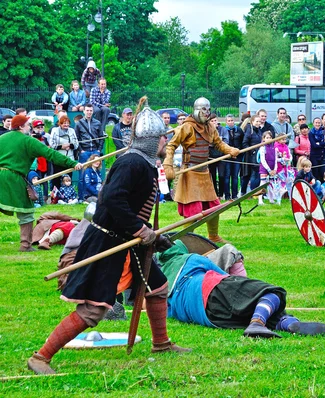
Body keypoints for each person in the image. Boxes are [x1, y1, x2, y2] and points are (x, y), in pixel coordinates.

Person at [27, 99, 190, 376]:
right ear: (151, 139)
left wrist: (153, 236)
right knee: (93, 309)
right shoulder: (131, 163)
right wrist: (141, 231)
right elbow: (113, 200)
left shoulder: (144, 163)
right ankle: (41, 357)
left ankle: (161, 343)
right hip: (108, 241)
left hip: (129, 240)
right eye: (163, 136)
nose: (166, 141)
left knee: (157, 288)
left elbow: (133, 206)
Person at [158, 241, 325, 338]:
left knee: (251, 309)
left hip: (209, 318)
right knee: (270, 293)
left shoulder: (162, 284)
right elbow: (227, 277)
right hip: (209, 288)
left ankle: (288, 323)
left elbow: (162, 310)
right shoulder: (191, 259)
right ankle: (257, 324)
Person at [163, 97, 240, 244]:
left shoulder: (209, 127)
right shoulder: (187, 127)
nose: (206, 113)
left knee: (214, 207)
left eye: (208, 110)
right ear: (197, 110)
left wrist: (231, 150)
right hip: (191, 173)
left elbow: (218, 143)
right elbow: (171, 145)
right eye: (203, 110)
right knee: (193, 211)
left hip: (204, 173)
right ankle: (185, 240)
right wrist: (168, 164)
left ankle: (213, 235)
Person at [0, 115, 83, 252]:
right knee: (26, 211)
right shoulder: (29, 141)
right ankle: (25, 246)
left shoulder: (2, 139)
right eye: (28, 125)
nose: (30, 127)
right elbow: (50, 154)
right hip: (13, 178)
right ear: (21, 127)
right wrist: (72, 163)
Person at [48, 116, 79, 191]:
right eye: (64, 123)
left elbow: (76, 144)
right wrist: (62, 146)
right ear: (60, 124)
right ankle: (56, 195)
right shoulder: (55, 130)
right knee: (57, 178)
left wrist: (69, 145)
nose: (66, 125)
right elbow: (52, 144)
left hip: (69, 158)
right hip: (58, 158)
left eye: (68, 123)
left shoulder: (72, 130)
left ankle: (68, 195)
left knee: (68, 177)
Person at [223, 114, 244, 200]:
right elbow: (223, 144)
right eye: (229, 121)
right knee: (227, 176)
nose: (231, 122)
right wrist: (230, 153)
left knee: (235, 177)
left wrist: (237, 154)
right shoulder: (224, 130)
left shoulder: (239, 130)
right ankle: (227, 195)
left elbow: (243, 143)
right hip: (227, 157)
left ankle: (234, 195)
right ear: (226, 122)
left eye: (232, 120)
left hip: (237, 157)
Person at [240, 115, 262, 196]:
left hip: (258, 155)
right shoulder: (250, 130)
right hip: (249, 156)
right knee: (247, 175)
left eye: (259, 121)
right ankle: (243, 192)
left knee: (256, 174)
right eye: (256, 121)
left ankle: (254, 193)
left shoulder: (259, 131)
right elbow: (244, 143)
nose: (258, 123)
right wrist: (252, 151)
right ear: (252, 122)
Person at [258, 131, 279, 205]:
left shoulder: (274, 148)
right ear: (263, 139)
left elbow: (276, 159)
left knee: (271, 184)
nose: (269, 139)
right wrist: (269, 170)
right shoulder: (262, 148)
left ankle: (271, 199)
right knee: (263, 184)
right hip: (264, 168)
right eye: (267, 138)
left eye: (270, 137)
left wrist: (275, 169)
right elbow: (263, 160)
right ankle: (260, 200)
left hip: (272, 168)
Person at [308, 117, 325, 182]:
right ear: (313, 124)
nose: (317, 124)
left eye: (319, 123)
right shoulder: (311, 133)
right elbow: (314, 145)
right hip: (314, 156)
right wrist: (322, 144)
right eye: (316, 123)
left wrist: (319, 143)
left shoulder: (324, 132)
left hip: (322, 156)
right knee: (315, 173)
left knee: (323, 173)